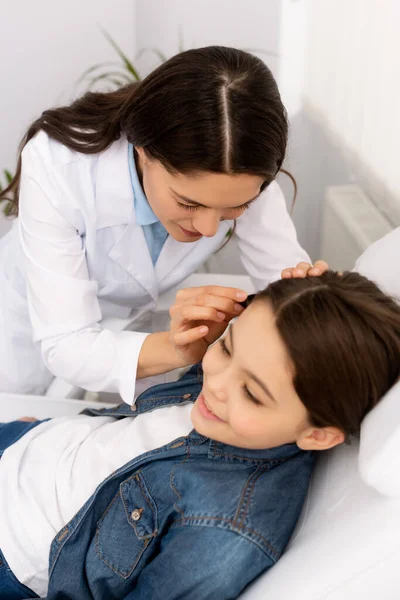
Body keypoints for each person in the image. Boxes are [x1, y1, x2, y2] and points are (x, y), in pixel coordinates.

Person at [1, 271, 400, 600]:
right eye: (226, 347)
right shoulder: (246, 393)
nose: (217, 382)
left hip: (15, 549)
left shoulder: (223, 531)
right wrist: (301, 295)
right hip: (32, 444)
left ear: (317, 436)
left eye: (251, 393)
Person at [0, 46, 327, 399]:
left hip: (123, 327)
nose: (207, 229)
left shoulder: (244, 176)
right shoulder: (58, 164)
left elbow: (284, 286)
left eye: (235, 207)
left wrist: (304, 301)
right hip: (23, 324)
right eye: (188, 203)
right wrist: (175, 349)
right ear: (141, 148)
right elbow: (66, 344)